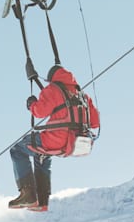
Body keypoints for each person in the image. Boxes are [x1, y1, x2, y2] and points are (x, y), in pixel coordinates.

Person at [7, 64, 100, 212]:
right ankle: (42, 201)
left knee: (18, 150)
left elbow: (40, 111)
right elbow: (95, 122)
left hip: (58, 140)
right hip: (80, 142)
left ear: (52, 79)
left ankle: (28, 194)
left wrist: (31, 104)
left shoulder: (52, 90)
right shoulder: (83, 95)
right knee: (42, 153)